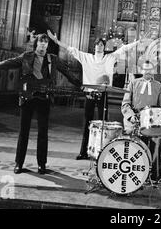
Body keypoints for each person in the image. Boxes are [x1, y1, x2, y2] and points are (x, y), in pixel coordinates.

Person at [0, 34, 81, 175]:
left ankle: (41, 165)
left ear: (47, 46)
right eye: (40, 44)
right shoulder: (26, 57)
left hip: (44, 99)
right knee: (24, 132)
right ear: (36, 44)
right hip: (27, 98)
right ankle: (19, 163)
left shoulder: (53, 59)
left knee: (43, 133)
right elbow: (6, 63)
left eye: (45, 45)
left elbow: (68, 73)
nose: (42, 47)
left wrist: (82, 85)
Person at [47, 31, 140, 160]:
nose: (99, 46)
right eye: (97, 44)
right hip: (90, 94)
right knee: (87, 123)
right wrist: (57, 42)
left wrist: (138, 42)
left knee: (104, 124)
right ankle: (83, 152)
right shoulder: (87, 58)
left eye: (102, 44)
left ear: (104, 47)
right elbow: (70, 49)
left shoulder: (109, 58)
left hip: (103, 94)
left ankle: (104, 152)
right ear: (94, 47)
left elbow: (124, 49)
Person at [121, 60, 161, 180]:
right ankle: (132, 170)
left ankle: (153, 173)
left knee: (157, 142)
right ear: (141, 71)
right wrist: (131, 116)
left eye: (150, 70)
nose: (148, 72)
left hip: (151, 122)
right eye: (145, 69)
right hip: (134, 121)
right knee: (133, 143)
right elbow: (125, 104)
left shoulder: (158, 86)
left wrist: (157, 119)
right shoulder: (133, 83)